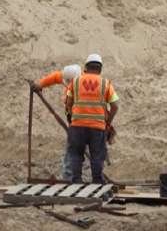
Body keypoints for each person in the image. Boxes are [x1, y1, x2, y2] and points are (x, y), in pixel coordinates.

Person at [34, 53, 119, 184]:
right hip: (97, 126)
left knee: (75, 154)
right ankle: (97, 182)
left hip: (78, 125)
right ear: (100, 69)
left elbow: (68, 102)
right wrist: (107, 122)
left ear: (85, 68)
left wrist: (72, 116)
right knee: (96, 155)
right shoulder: (104, 83)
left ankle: (75, 181)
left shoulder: (75, 81)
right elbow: (114, 106)